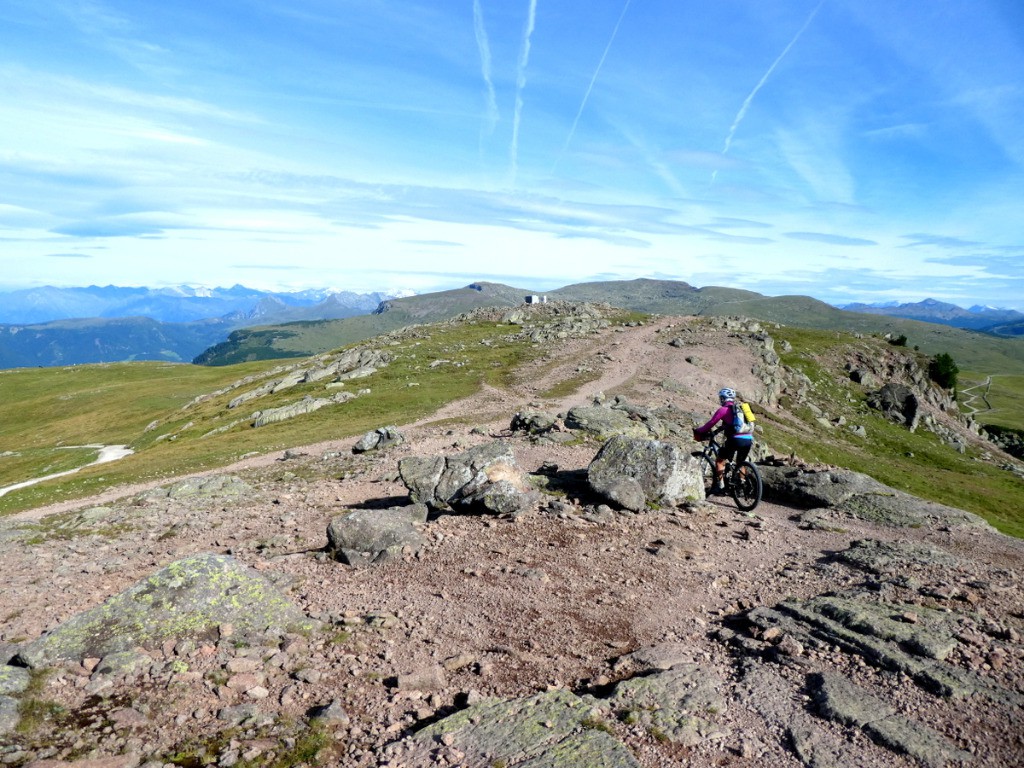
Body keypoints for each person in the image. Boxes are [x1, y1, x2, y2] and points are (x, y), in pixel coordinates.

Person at [693, 387, 754, 495]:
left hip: (735, 439)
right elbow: (729, 424)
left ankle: (720, 487)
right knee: (740, 463)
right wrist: (718, 430)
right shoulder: (741, 409)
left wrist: (699, 430)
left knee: (720, 461)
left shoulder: (723, 410)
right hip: (748, 438)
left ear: (722, 398)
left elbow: (710, 424)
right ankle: (741, 485)